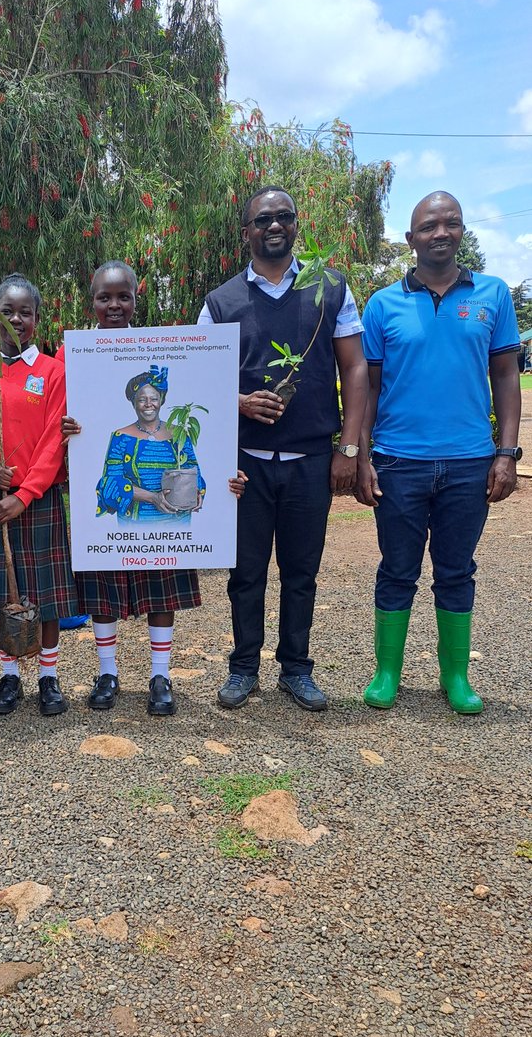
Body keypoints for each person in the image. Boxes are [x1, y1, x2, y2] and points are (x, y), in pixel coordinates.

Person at [200, 185, 369, 712]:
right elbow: (197, 382)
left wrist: (348, 449)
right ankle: (243, 667)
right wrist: (238, 403)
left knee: (301, 573)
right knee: (245, 573)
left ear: (296, 225)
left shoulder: (331, 290)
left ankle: (296, 669)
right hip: (245, 465)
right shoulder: (220, 302)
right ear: (246, 231)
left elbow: (356, 369)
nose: (274, 225)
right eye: (263, 219)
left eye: (284, 217)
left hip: (310, 462)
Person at [357, 191, 522, 713]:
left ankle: (456, 677)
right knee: (396, 569)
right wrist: (361, 458)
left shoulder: (493, 295)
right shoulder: (383, 304)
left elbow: (506, 377)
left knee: (456, 570)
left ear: (462, 231)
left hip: (470, 462)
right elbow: (369, 388)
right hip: (398, 461)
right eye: (429, 226)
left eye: (452, 223)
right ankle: (388, 673)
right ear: (411, 240)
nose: (441, 233)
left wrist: (507, 453)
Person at [62, 260, 245, 717]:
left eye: (123, 296)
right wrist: (66, 430)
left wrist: (214, 490)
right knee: (103, 592)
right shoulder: (79, 365)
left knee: (162, 594)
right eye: (105, 297)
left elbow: (199, 470)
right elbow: (109, 483)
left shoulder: (180, 431)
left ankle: (160, 675)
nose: (114, 305)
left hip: (170, 527)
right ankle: (107, 672)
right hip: (125, 524)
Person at [0, 273, 77, 717]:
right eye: (6, 311)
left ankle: (48, 676)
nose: (16, 319)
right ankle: (10, 676)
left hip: (37, 499)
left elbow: (52, 444)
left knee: (45, 593)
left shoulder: (52, 373)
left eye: (25, 312)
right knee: (4, 591)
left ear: (37, 320)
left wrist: (24, 494)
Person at [95, 365, 205, 523]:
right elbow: (111, 481)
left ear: (161, 400)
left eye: (154, 398)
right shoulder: (120, 437)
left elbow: (193, 469)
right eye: (141, 399)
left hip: (177, 522)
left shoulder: (179, 434)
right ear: (133, 403)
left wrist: (196, 491)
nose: (148, 404)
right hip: (135, 526)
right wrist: (153, 498)